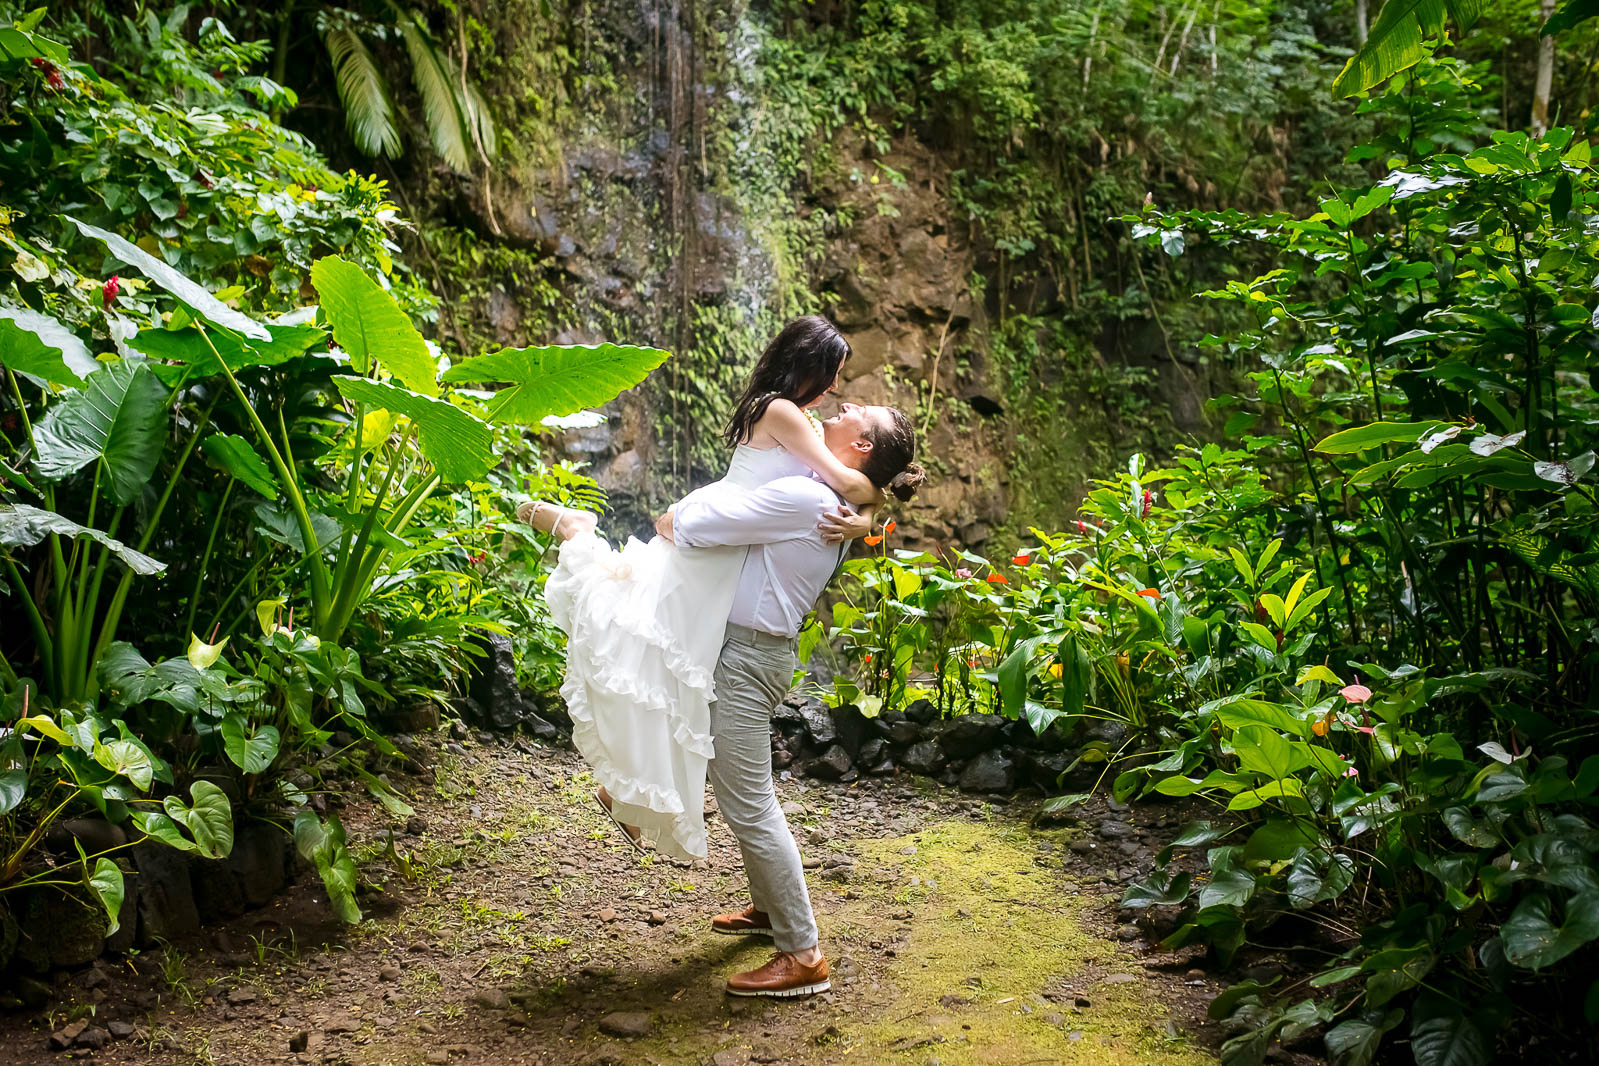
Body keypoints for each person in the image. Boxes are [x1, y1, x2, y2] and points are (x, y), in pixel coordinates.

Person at [518, 317, 881, 861]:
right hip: (715, 539)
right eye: (831, 374)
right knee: (635, 635)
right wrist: (869, 515)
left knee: (671, 669)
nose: (833, 388)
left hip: (729, 547)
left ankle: (626, 794)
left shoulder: (790, 413)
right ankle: (577, 531)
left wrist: (868, 518)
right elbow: (850, 481)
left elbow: (849, 484)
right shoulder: (782, 411)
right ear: (808, 364)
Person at [657, 401, 925, 997]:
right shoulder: (829, 490)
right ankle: (769, 910)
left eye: (860, 412)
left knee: (749, 802)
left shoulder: (809, 498)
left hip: (747, 657)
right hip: (755, 650)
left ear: (860, 447)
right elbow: (860, 494)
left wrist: (679, 513)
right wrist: (872, 512)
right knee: (737, 789)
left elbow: (685, 526)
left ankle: (803, 955)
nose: (844, 402)